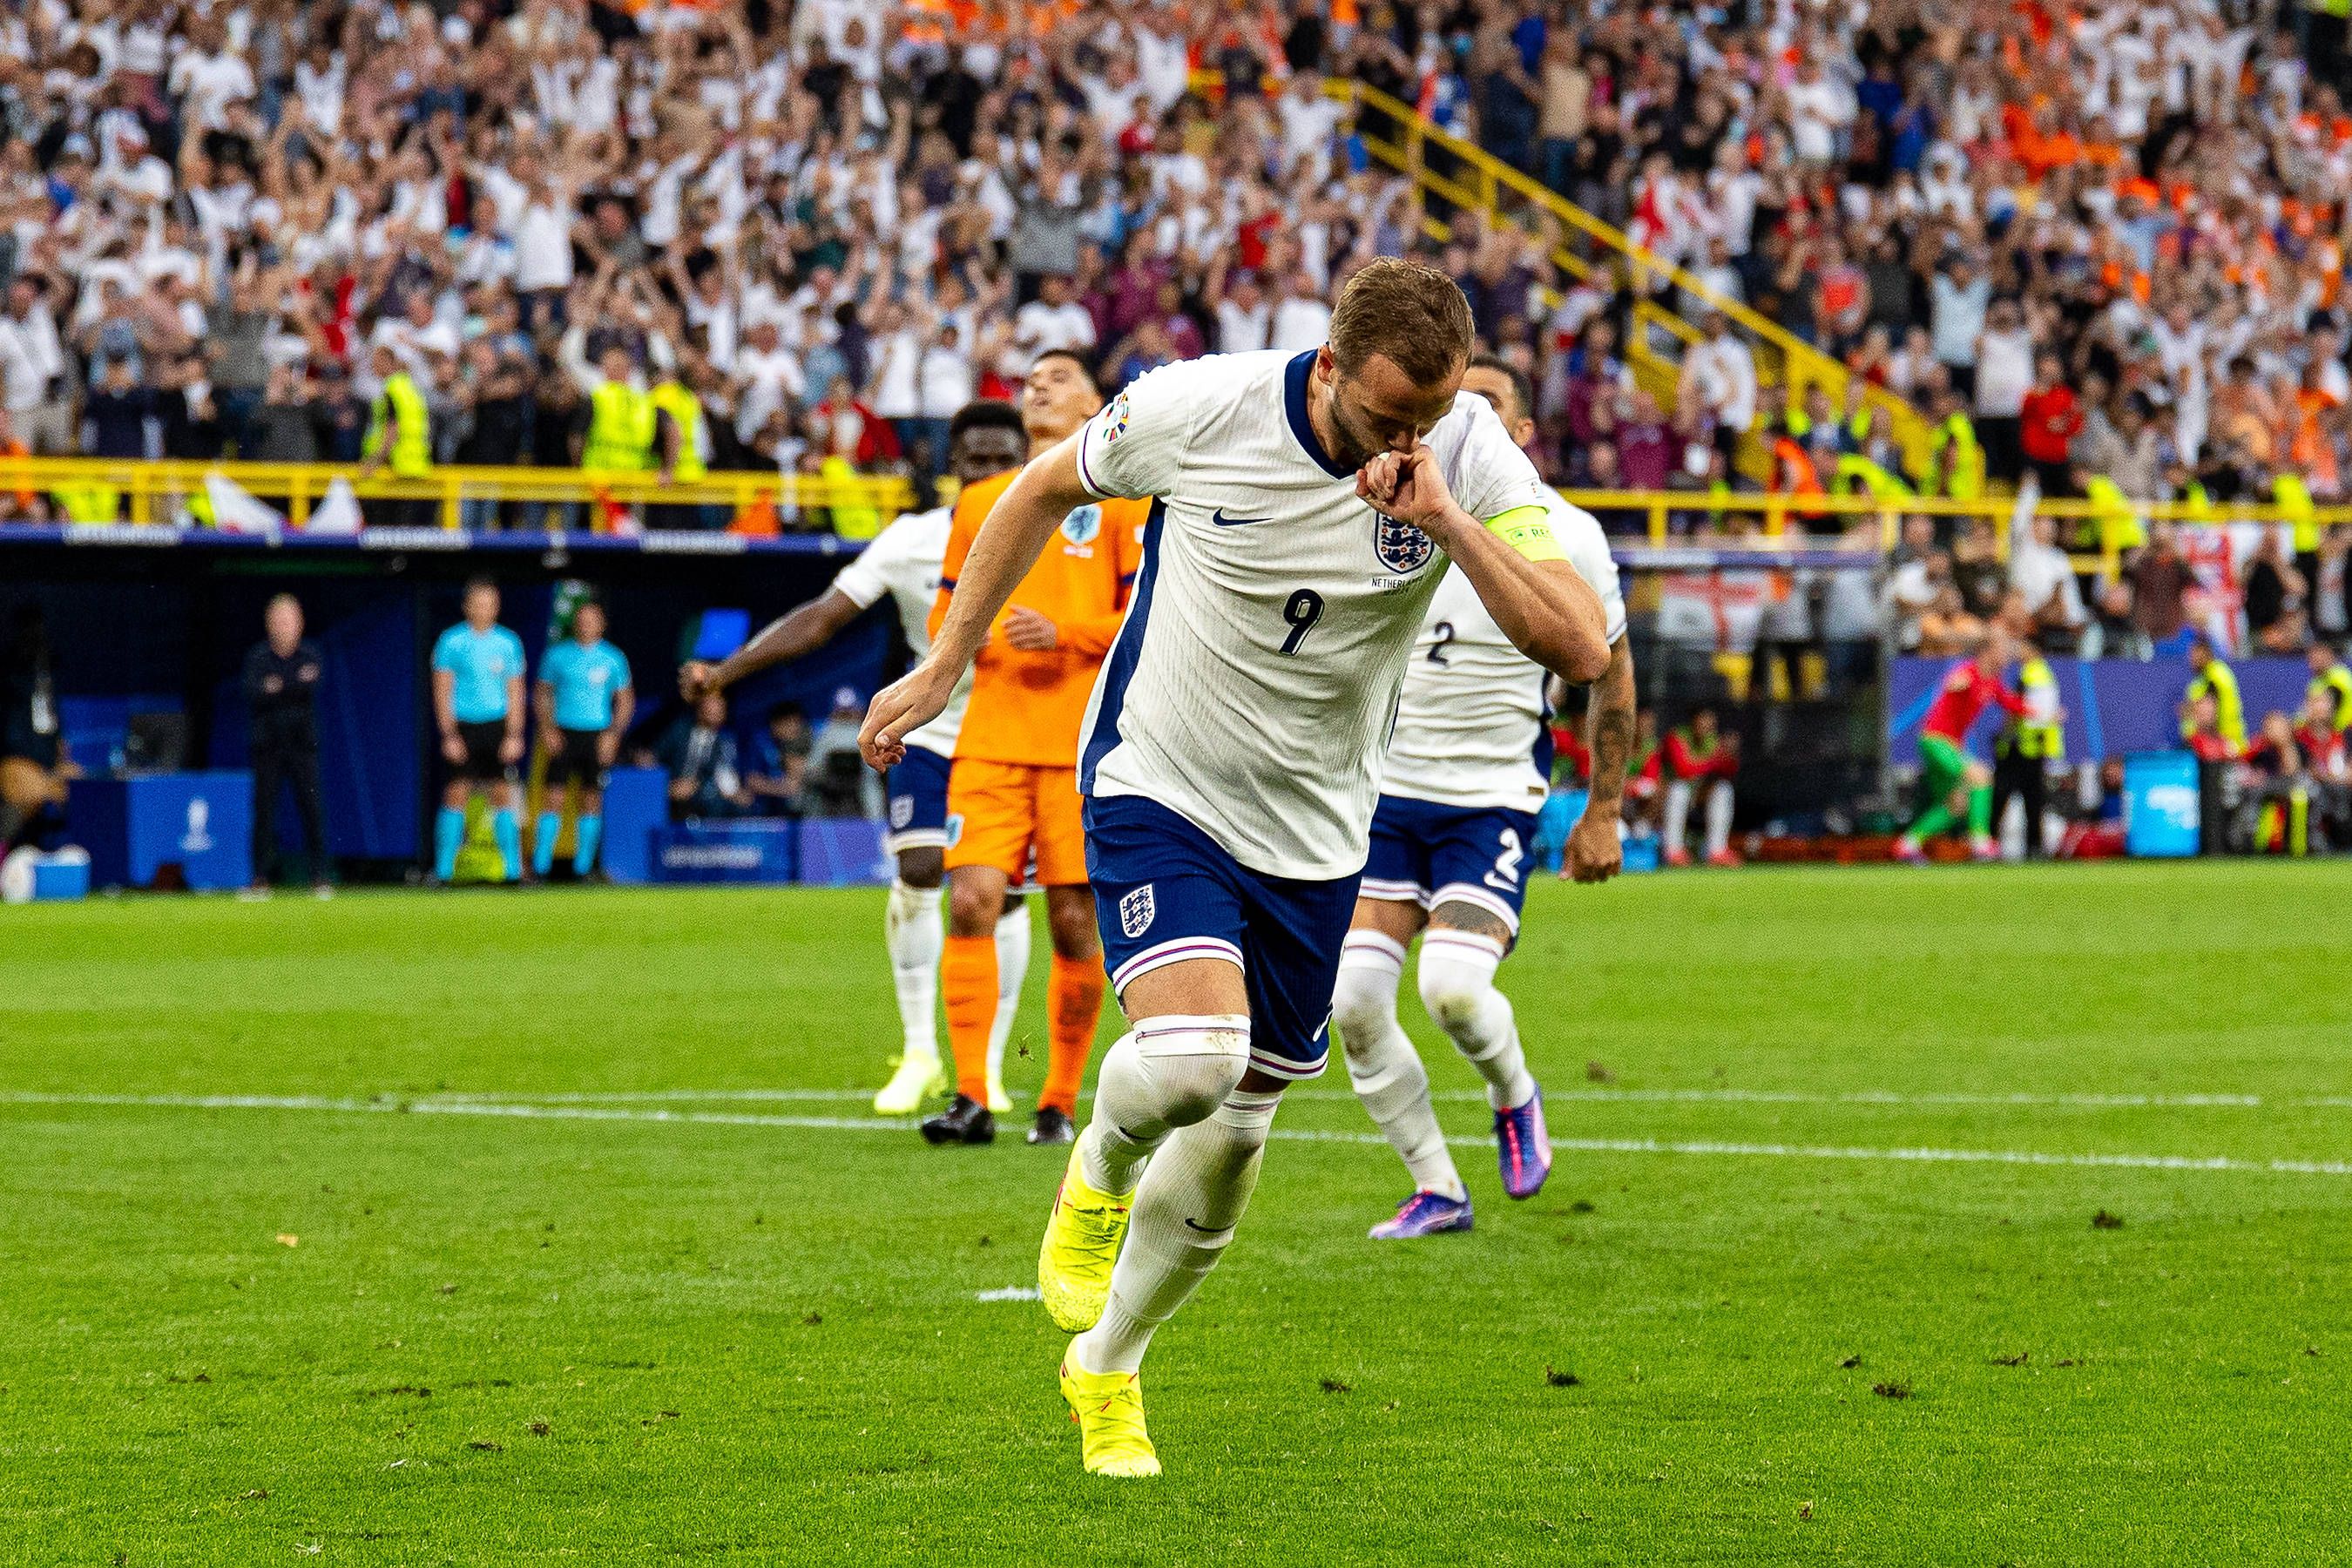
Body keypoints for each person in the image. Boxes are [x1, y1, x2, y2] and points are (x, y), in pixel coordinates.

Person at [858, 260, 1608, 1477]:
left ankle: (1107, 1365)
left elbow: (1576, 641)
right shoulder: (1198, 406)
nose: (1403, 441)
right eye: (1382, 419)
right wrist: (946, 662)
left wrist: (1450, 519)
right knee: (1194, 1063)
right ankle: (1094, 1168)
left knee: (1243, 1126)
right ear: (1326, 371)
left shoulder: (1465, 453)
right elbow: (1037, 488)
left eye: (1425, 417)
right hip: (1163, 776)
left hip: (1318, 830)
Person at [1331, 353, 1631, 1240]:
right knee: (1351, 1002)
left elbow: (1609, 678)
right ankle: (1436, 1186)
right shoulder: (1376, 507)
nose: (1453, 421)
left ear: (1520, 431)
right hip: (1379, 797)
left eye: (1481, 406)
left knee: (1454, 990)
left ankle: (1514, 1093)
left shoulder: (1567, 535)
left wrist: (1603, 809)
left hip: (1489, 796)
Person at [681, 402, 1034, 1117]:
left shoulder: (1056, 530)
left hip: (1018, 731)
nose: (989, 471)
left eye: (1004, 458)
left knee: (1001, 896)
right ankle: (919, 1053)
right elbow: (822, 617)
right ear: (951, 468)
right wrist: (724, 672)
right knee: (919, 871)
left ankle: (988, 1067)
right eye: (975, 459)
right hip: (931, 732)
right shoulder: (912, 539)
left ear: (1025, 460)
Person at [919, 351, 1150, 1149]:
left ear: (1096, 401)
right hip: (989, 738)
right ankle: (973, 1094)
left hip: (1082, 745)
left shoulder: (1123, 499)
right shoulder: (983, 499)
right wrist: (961, 634)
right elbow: (943, 610)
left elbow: (1144, 618)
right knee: (972, 901)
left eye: (1058, 377)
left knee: (1074, 924)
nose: (1037, 386)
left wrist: (1066, 634)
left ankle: (1056, 1098)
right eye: (1031, 379)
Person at [1896, 625, 2026, 863]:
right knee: (1981, 776)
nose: (2008, 654)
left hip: (1949, 746)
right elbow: (1953, 681)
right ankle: (1979, 838)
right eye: (2003, 648)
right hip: (1936, 740)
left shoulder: (1992, 682)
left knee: (1957, 804)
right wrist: (1954, 683)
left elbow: (2012, 704)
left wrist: (2045, 713)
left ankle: (1907, 844)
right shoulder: (1969, 672)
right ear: (1987, 651)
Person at [429, 580, 528, 884]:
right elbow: (442, 690)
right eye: (479, 603)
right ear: (467, 606)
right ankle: (443, 872)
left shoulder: (508, 642)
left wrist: (514, 734)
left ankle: (513, 871)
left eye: (490, 604)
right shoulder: (451, 641)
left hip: (497, 726)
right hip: (464, 726)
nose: (484, 609)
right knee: (456, 793)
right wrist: (449, 734)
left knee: (502, 795)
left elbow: (515, 691)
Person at [531, 598, 633, 881]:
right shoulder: (557, 656)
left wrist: (612, 735)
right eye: (582, 619)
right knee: (553, 798)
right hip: (564, 733)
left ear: (602, 624)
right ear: (575, 623)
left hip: (596, 734)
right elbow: (542, 694)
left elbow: (625, 699)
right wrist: (548, 730)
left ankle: (583, 869)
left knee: (591, 800)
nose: (586, 625)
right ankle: (541, 867)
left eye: (592, 620)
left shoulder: (613, 658)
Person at [241, 594, 331, 896]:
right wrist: (288, 685)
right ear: (268, 625)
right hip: (267, 747)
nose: (283, 627)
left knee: (312, 810)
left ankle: (320, 877)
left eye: (289, 620)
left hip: (303, 746)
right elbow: (256, 691)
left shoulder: (311, 654)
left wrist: (279, 685)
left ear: (300, 624)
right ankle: (259, 878)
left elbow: (307, 684)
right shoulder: (257, 657)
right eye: (278, 621)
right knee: (264, 813)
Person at [0, 603, 71, 853]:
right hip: (18, 761)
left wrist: (61, 759)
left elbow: (52, 726)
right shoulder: (11, 673)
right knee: (21, 798)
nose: (37, 638)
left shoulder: (48, 672)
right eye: (30, 631)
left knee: (80, 790)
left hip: (48, 763)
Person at [1991, 634, 2065, 859]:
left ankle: (1989, 843)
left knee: (2002, 797)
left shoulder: (2030, 674)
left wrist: (2004, 734)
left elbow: (2017, 710)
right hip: (2035, 745)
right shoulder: (2043, 674)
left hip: (2022, 746)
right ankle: (2035, 847)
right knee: (2033, 800)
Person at [358, 341, 432, 528]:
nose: (373, 367)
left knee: (388, 527)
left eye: (376, 362)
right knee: (407, 526)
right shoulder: (410, 388)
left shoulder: (392, 389)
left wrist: (376, 459)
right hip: (415, 464)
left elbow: (393, 428)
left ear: (387, 362)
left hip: (395, 465)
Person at [1660, 708, 1740, 867]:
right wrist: (1714, 760)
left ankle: (1716, 851)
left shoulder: (1714, 741)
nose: (1706, 727)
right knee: (1679, 789)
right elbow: (1683, 770)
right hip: (1665, 796)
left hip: (1700, 795)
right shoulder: (1676, 737)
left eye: (1710, 723)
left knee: (1723, 789)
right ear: (1693, 721)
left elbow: (1729, 769)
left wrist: (1731, 754)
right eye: (1703, 721)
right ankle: (1673, 851)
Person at [659, 692, 751, 818]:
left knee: (727, 803)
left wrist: (733, 791)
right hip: (672, 786)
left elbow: (724, 772)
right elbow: (654, 757)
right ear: (699, 708)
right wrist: (667, 786)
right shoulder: (679, 730)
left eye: (720, 708)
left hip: (706, 792)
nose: (715, 711)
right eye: (710, 705)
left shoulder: (726, 740)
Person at [2182, 632, 2246, 755]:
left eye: (2195, 654)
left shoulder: (2216, 673)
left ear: (2206, 653)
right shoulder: (2201, 681)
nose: (2192, 659)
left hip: (2226, 744)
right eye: (2191, 655)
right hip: (2216, 745)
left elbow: (2208, 709)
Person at [2307, 641, 2352, 735]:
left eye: (2316, 656)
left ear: (2328, 654)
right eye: (2310, 657)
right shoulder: (2316, 681)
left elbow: (2325, 711)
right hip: (2330, 734)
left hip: (2344, 733)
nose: (2311, 662)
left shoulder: (2340, 677)